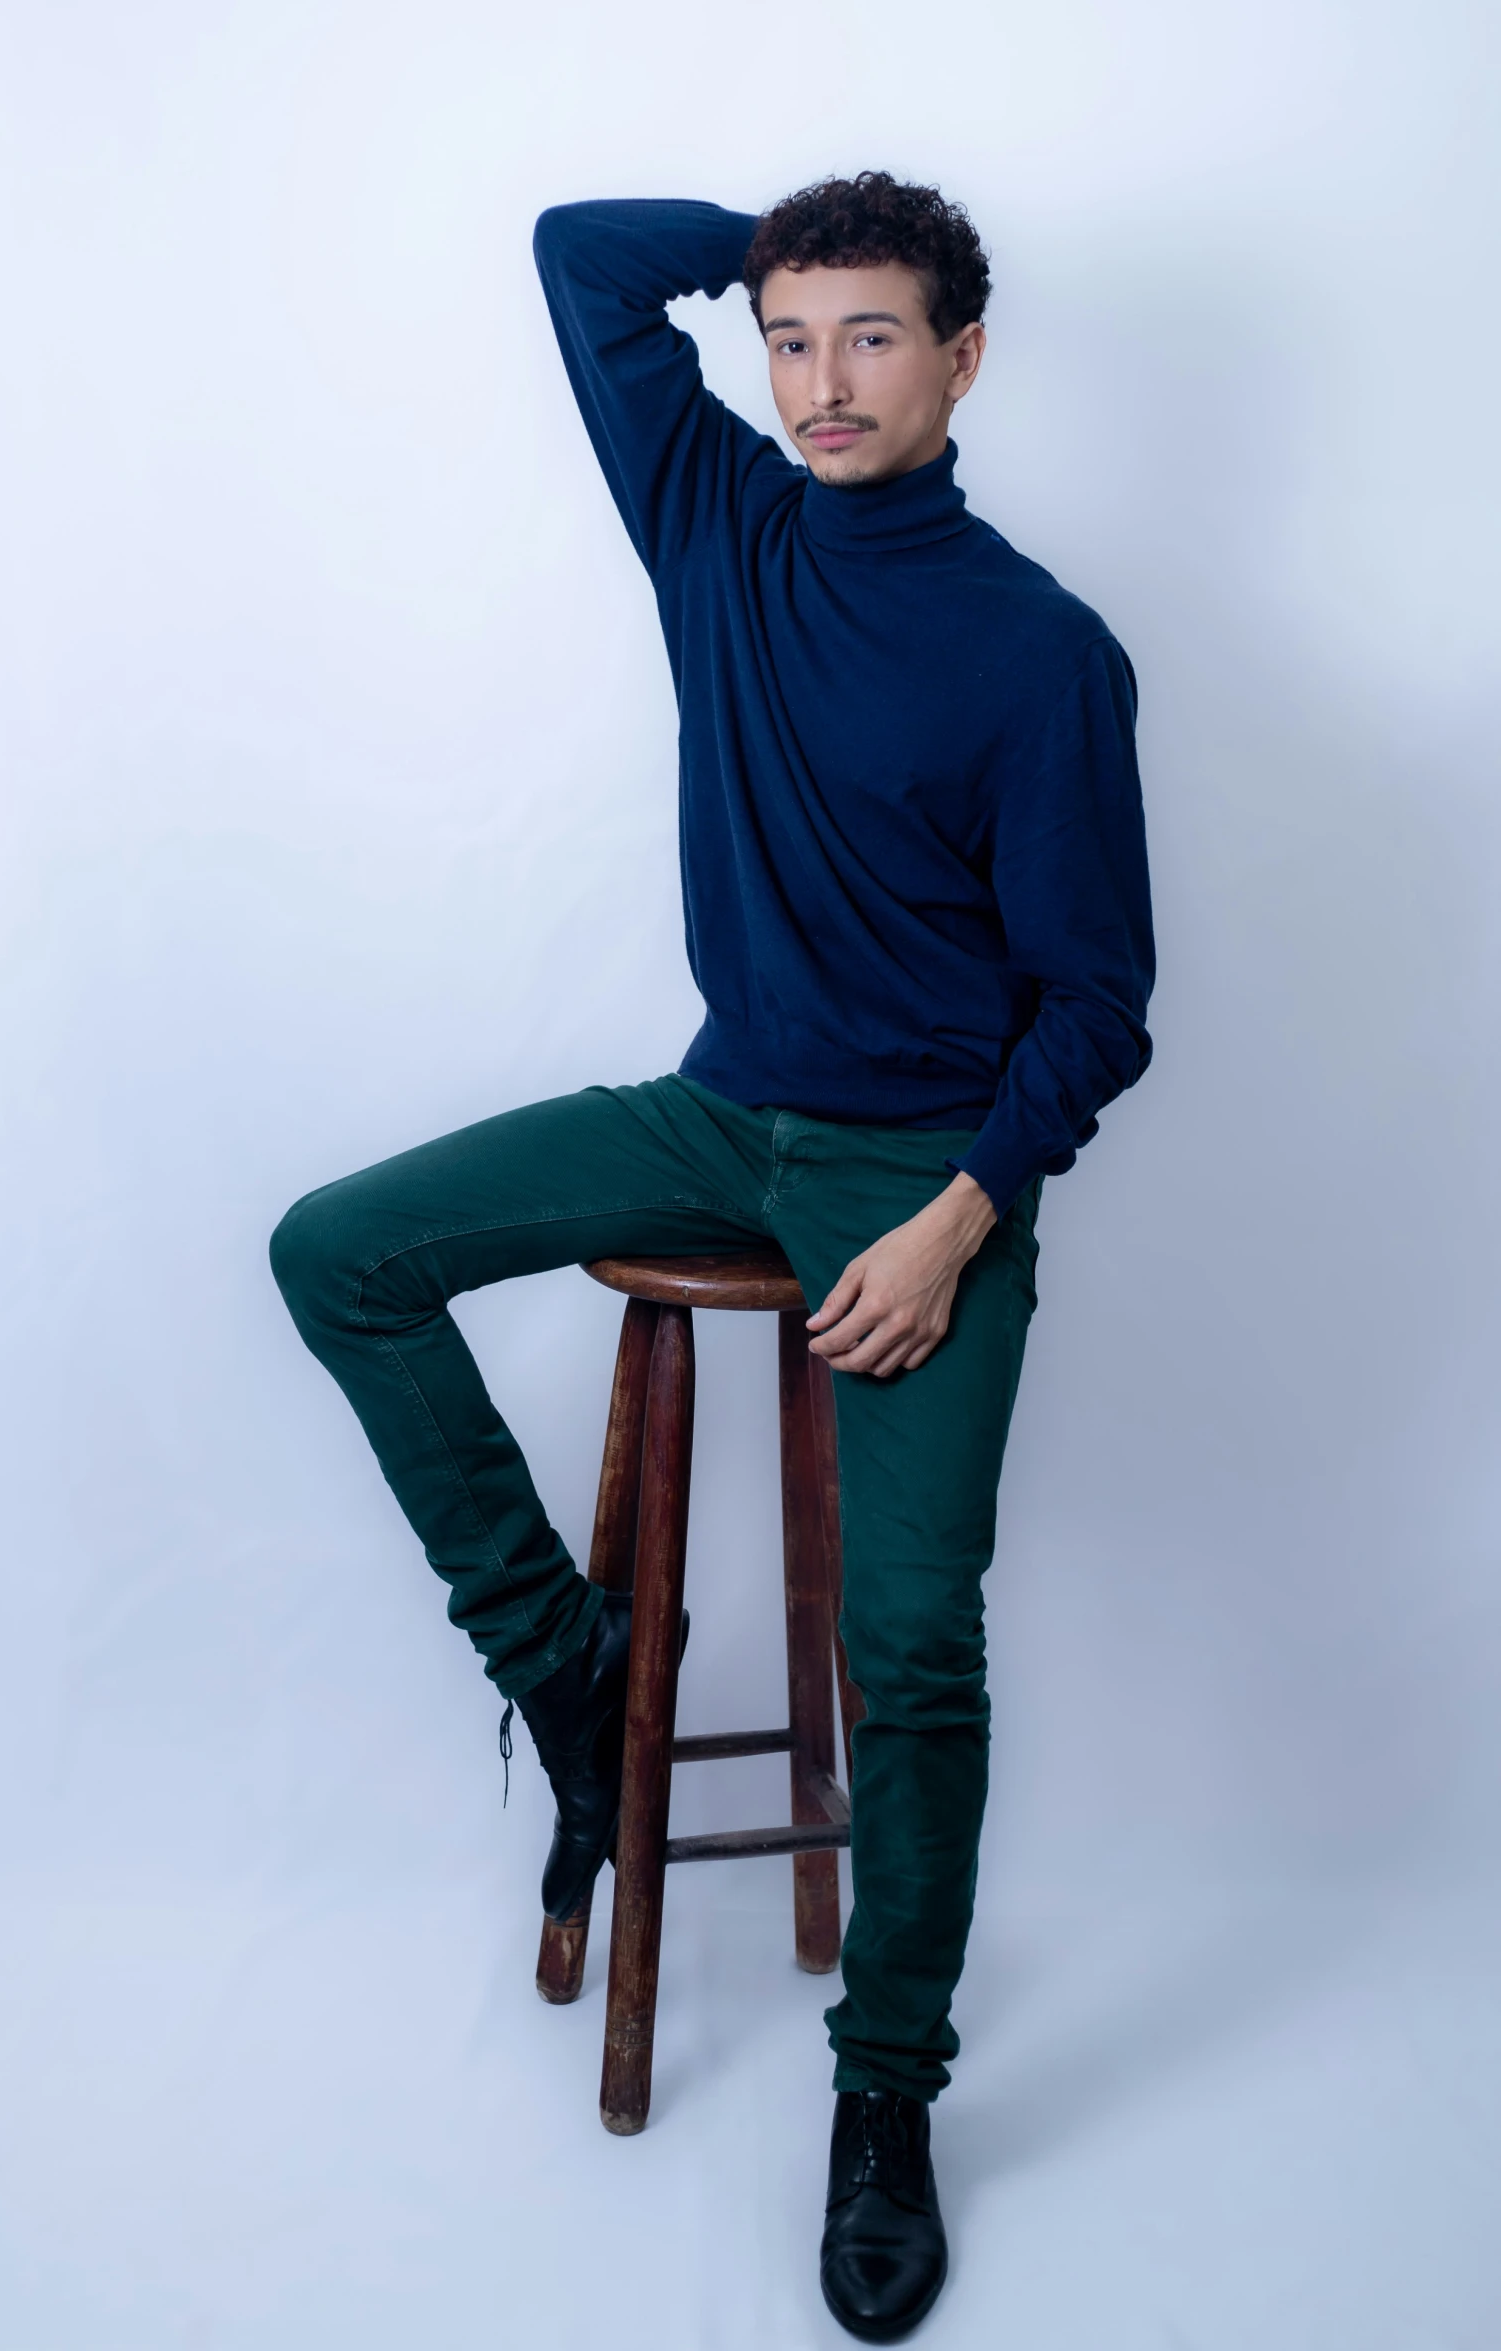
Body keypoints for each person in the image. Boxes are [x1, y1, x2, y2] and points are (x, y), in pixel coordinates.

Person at [270, 170, 1154, 2341]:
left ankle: (885, 2090)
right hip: (717, 1109)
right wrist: (781, 231)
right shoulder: (722, 519)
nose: (821, 381)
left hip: (914, 1170)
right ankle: (570, 1673)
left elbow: (1099, 1003)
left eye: (873, 337)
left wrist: (962, 1218)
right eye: (789, 335)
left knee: (915, 1639)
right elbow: (582, 251)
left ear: (964, 358)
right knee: (340, 1248)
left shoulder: (1042, 654)